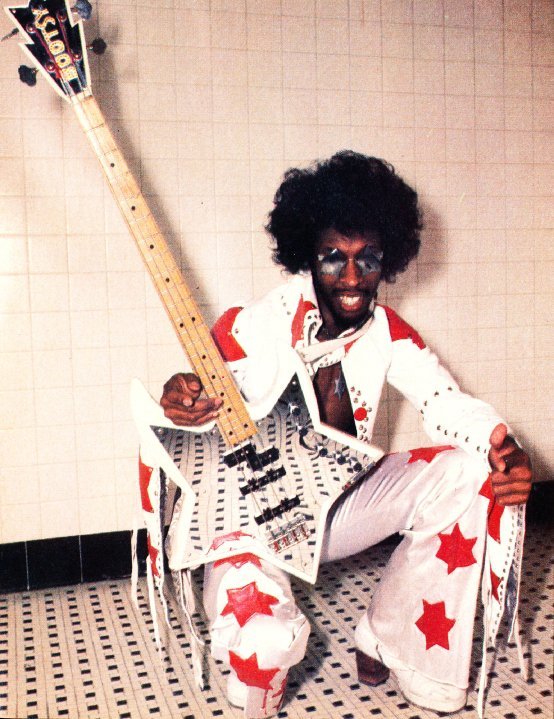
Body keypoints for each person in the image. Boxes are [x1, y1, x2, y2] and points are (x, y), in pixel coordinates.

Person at [156, 151, 532, 718]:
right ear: (307, 256)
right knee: (264, 650)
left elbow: (443, 401)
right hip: (255, 520)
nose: (352, 278)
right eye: (334, 258)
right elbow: (203, 392)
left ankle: (391, 637)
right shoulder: (254, 324)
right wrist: (183, 398)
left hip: (338, 510)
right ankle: (257, 649)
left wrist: (504, 448)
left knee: (470, 469)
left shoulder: (387, 331)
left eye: (368, 259)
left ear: (388, 260)